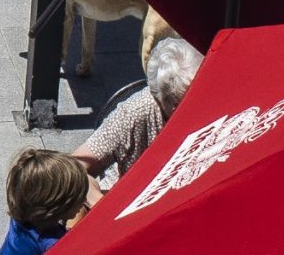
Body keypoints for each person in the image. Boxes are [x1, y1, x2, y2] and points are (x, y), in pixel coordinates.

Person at [73, 37, 201, 190]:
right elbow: (74, 168)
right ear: (161, 99)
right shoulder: (135, 112)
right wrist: (98, 204)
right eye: (180, 103)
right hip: (129, 196)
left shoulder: (212, 103)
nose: (193, 109)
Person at [0, 147, 90, 254]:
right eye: (79, 197)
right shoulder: (53, 245)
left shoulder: (21, 220)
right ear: (57, 205)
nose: (85, 199)